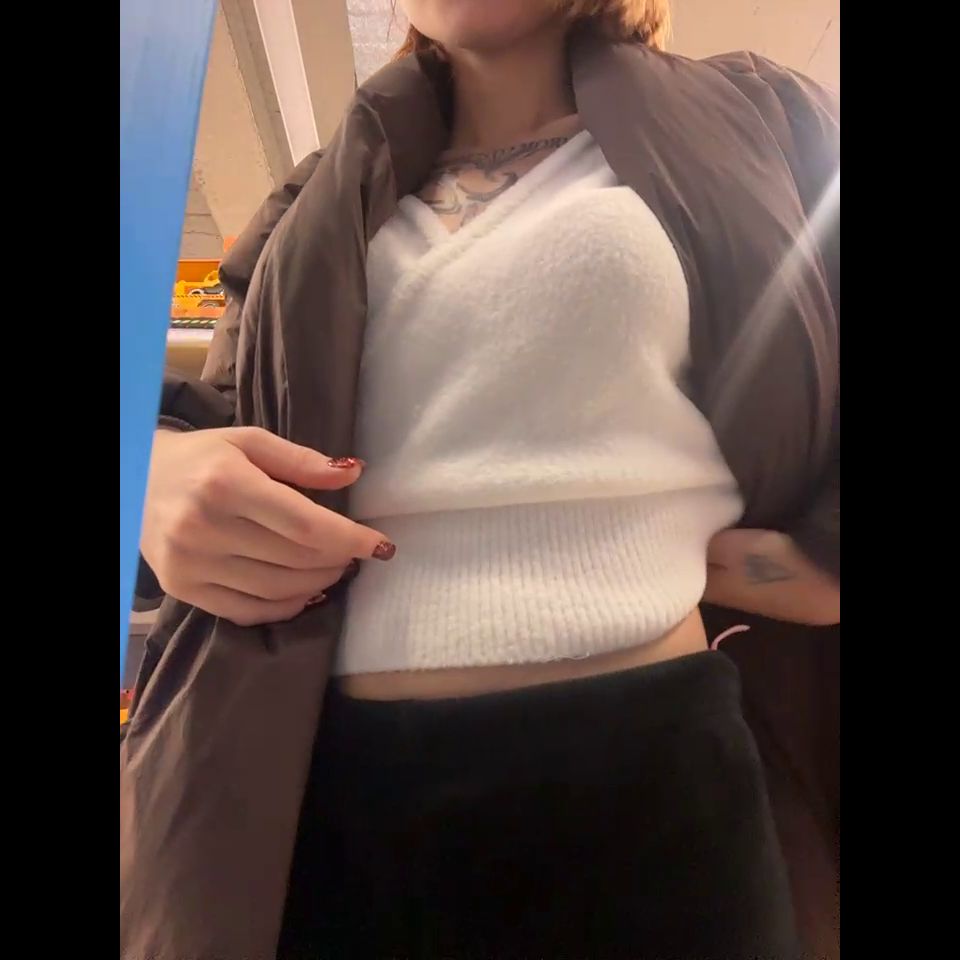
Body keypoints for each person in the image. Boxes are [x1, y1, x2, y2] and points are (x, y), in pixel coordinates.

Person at [120, 1, 839, 957]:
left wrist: (802, 571)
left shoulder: (766, 116)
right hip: (320, 792)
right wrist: (153, 477)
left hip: (647, 789)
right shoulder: (311, 203)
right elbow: (214, 422)